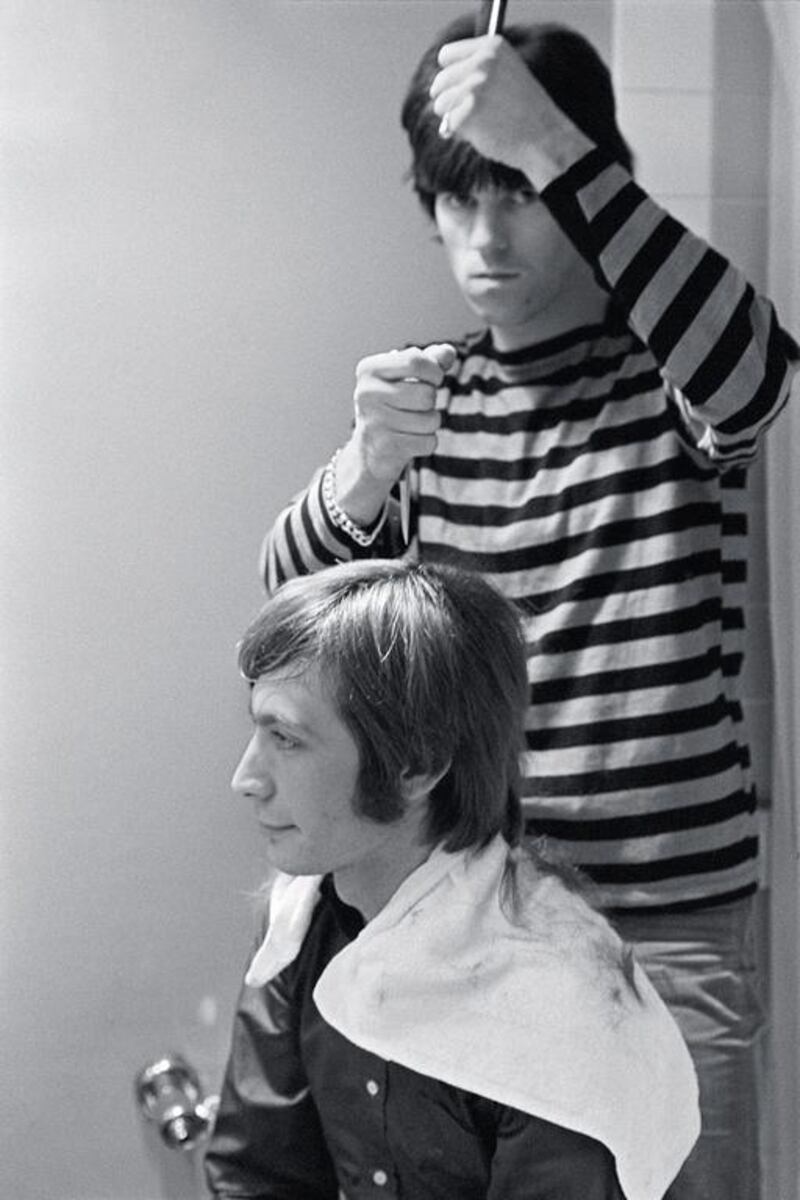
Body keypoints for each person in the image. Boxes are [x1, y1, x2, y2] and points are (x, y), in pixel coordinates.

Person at [257, 15, 800, 1199]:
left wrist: (546, 135)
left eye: (520, 193)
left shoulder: (666, 377)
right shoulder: (424, 399)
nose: (486, 236)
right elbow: (294, 628)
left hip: (668, 922)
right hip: (468, 918)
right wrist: (364, 469)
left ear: (579, 183)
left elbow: (754, 368)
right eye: (457, 201)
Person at [205, 559, 699, 1199]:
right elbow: (258, 1178)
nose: (247, 777)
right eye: (256, 727)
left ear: (416, 766)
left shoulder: (557, 1004)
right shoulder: (301, 926)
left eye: (287, 739)